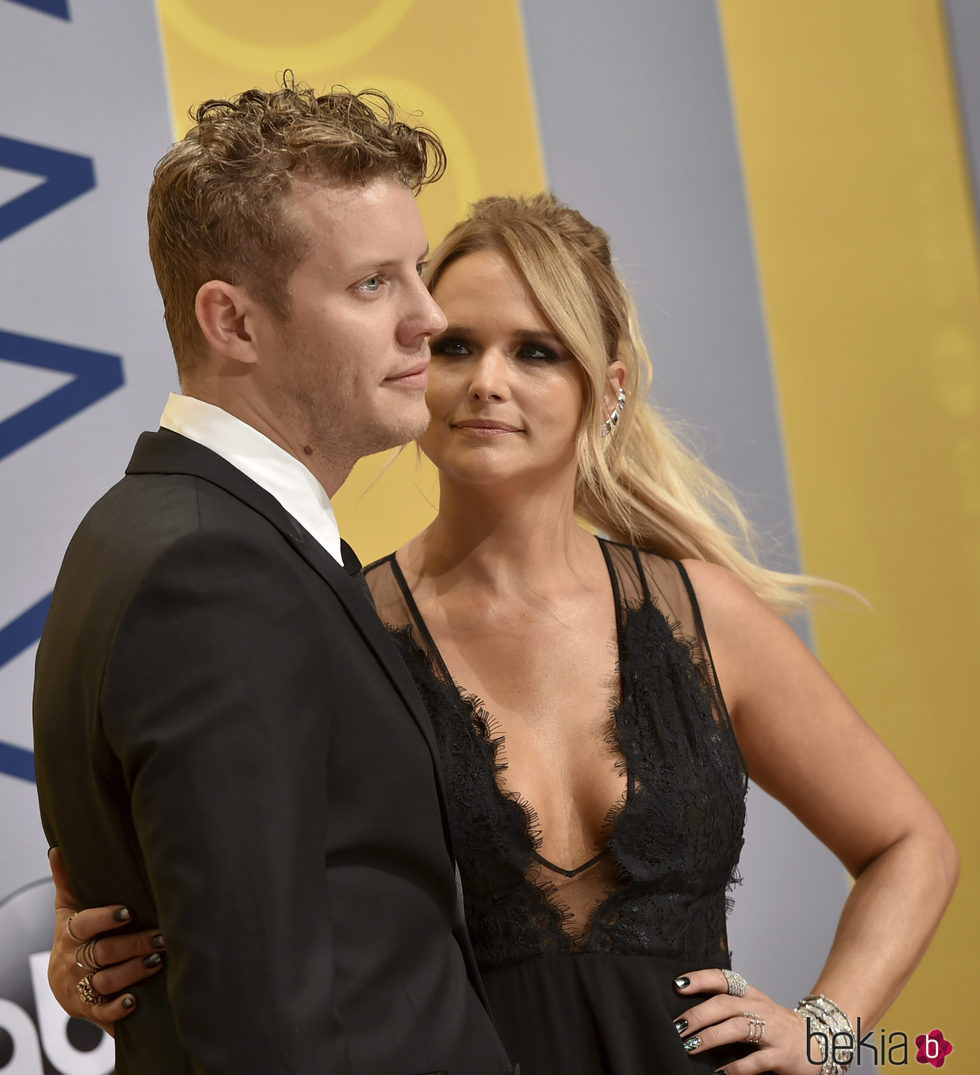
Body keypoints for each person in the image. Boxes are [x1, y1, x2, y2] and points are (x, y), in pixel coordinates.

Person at [46, 194, 957, 1074]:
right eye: (457, 346)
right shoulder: (338, 623)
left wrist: (830, 1034)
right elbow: (246, 897)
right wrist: (97, 963)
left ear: (608, 389)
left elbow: (911, 844)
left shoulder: (702, 614)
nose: (488, 381)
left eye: (535, 351)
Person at [32, 81, 515, 1075]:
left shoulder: (212, 537)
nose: (428, 318)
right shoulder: (210, 574)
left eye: (415, 272)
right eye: (373, 284)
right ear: (234, 323)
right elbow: (262, 1028)